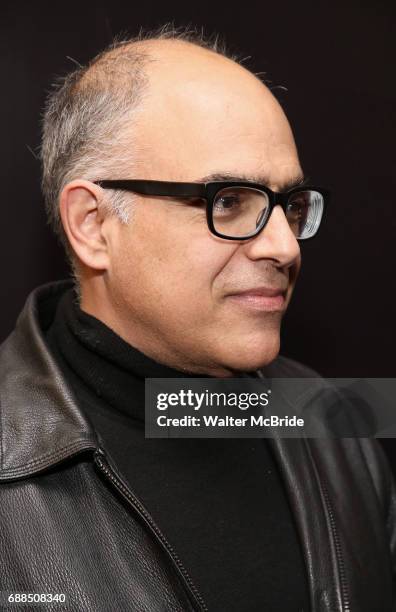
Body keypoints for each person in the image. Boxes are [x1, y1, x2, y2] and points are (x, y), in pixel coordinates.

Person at [0, 25, 395, 612]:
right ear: (93, 225)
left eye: (288, 205)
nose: (285, 247)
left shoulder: (337, 420)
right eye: (229, 202)